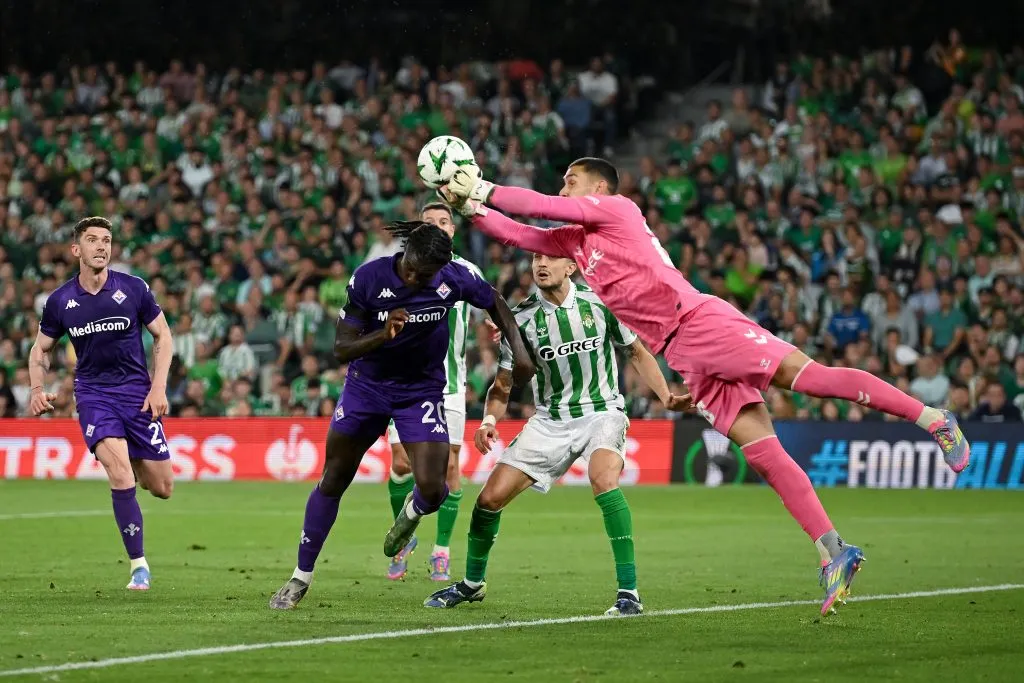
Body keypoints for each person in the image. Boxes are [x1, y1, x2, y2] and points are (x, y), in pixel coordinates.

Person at [440, 158, 971, 616]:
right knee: (763, 453)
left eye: (570, 180)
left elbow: (545, 208)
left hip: (700, 322)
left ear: (598, 189)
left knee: (811, 379)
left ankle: (933, 420)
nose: (563, 189)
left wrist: (482, 186)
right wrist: (468, 208)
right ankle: (834, 551)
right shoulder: (576, 247)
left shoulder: (617, 211)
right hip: (685, 355)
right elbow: (518, 233)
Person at [269, 221, 534, 610]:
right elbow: (342, 349)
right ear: (404, 252)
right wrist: (382, 334)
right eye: (409, 267)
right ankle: (299, 577)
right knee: (334, 478)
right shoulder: (369, 278)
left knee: (433, 489)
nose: (412, 276)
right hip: (366, 389)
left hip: (420, 392)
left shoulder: (452, 279)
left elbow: (493, 298)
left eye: (422, 274)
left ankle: (408, 517)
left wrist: (521, 351)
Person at [424, 252, 688, 615]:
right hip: (549, 420)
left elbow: (636, 352)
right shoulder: (520, 319)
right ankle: (472, 583)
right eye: (535, 258)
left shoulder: (600, 304)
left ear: (572, 267)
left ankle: (629, 592)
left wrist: (666, 396)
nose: (540, 264)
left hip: (601, 412)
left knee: (603, 479)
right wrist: (488, 421)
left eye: (551, 258)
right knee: (488, 500)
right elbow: (502, 387)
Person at [28, 216, 174, 591]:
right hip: (94, 395)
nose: (101, 246)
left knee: (161, 487)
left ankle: (136, 464)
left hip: (137, 394)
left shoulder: (134, 288)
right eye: (92, 240)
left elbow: (163, 337)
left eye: (106, 240)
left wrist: (158, 388)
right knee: (120, 474)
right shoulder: (60, 301)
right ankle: (139, 566)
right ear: (77, 250)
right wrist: (35, 388)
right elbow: (40, 350)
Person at [384, 203, 483, 582]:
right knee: (401, 464)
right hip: (404, 381)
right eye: (430, 223)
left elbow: (491, 307)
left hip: (450, 385)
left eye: (444, 221)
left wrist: (494, 327)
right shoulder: (399, 270)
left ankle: (441, 550)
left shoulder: (467, 272)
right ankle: (404, 533)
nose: (438, 227)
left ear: (454, 230)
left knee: (450, 468)